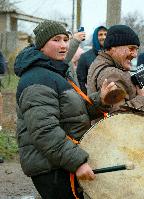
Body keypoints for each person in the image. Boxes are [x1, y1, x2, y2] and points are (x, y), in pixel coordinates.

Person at [14, 20, 117, 199]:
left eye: (65, 39)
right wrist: (77, 162)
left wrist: (100, 99)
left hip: (60, 162)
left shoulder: (54, 72)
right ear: (41, 46)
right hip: (52, 167)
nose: (63, 45)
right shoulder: (37, 79)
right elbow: (45, 131)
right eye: (56, 40)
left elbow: (72, 111)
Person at [87, 25, 144, 115]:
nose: (135, 54)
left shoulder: (101, 63)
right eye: (131, 49)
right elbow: (118, 118)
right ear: (113, 48)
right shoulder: (112, 74)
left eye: (136, 50)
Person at [77, 26, 107, 94]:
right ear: (95, 37)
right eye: (100, 34)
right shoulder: (85, 57)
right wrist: (86, 98)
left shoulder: (113, 55)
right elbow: (80, 81)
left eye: (106, 34)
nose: (104, 37)